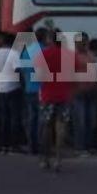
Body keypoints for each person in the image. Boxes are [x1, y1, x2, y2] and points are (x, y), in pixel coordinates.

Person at [37, 32, 76, 171]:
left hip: (48, 95)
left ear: (51, 40)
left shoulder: (44, 54)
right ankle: (58, 160)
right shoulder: (69, 56)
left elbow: (39, 75)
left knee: (46, 127)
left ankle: (45, 159)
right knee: (61, 128)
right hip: (64, 96)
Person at [19, 27, 49, 155]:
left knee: (31, 119)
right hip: (41, 89)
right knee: (42, 120)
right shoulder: (44, 51)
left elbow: (21, 70)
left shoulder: (26, 51)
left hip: (28, 89)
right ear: (43, 37)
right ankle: (41, 146)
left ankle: (32, 146)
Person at [0, 31, 23, 154]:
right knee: (15, 118)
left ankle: (3, 145)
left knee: (4, 119)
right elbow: (18, 70)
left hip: (1, 89)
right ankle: (14, 145)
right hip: (13, 88)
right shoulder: (14, 54)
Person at [72, 34, 97, 155]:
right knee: (81, 121)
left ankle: (89, 145)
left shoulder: (91, 56)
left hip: (91, 92)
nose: (82, 44)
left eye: (84, 41)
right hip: (78, 93)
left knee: (91, 121)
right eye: (80, 42)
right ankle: (80, 147)